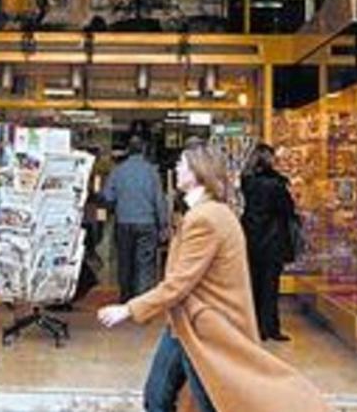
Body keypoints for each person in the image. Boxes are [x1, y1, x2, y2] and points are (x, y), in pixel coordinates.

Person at [97, 140, 329, 412]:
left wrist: (128, 309)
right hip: (188, 324)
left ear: (197, 172)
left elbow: (179, 283)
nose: (176, 167)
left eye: (182, 163)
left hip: (206, 328)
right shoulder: (208, 213)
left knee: (205, 401)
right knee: (160, 397)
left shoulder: (205, 219)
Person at [240, 143, 298, 342]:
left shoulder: (247, 181)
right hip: (273, 239)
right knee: (271, 285)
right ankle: (270, 327)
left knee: (254, 283)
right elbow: (288, 209)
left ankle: (254, 326)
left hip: (252, 238)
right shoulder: (276, 185)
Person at [100, 136, 168, 302]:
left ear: (127, 151)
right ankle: (141, 300)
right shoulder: (152, 172)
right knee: (145, 264)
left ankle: (126, 298)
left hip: (123, 222)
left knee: (125, 262)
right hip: (147, 223)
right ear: (144, 150)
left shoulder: (118, 171)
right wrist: (164, 224)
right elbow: (159, 199)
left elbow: (107, 197)